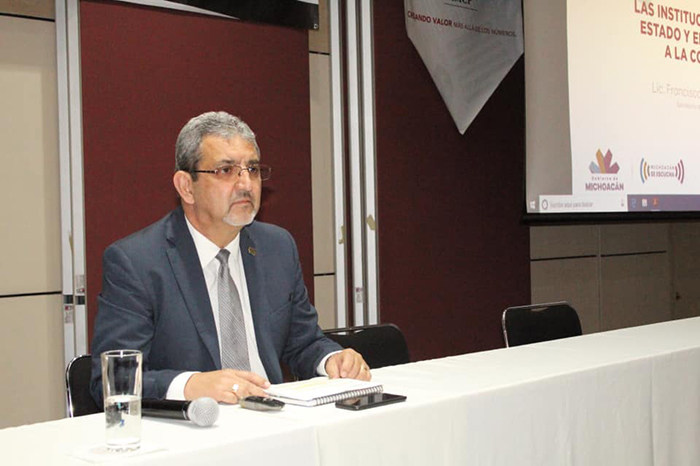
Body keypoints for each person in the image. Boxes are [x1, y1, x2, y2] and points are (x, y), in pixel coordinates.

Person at [90, 111, 370, 405]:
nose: (246, 184)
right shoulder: (137, 262)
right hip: (195, 425)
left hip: (274, 415)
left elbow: (303, 342)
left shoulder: (277, 247)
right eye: (226, 170)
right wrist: (190, 385)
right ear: (186, 186)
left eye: (252, 169)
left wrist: (332, 359)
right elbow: (111, 380)